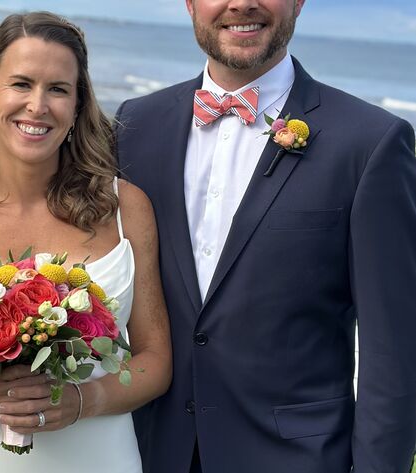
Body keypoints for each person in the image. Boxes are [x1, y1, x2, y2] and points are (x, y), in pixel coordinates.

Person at [115, 0, 416, 472]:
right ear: (190, 3)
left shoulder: (370, 142)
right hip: (149, 452)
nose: (241, 4)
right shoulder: (133, 126)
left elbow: (395, 349)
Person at [0, 11, 172, 473]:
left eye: (58, 89)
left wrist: (84, 400)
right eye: (21, 84)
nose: (38, 106)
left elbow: (156, 360)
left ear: (78, 106)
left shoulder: (127, 208)